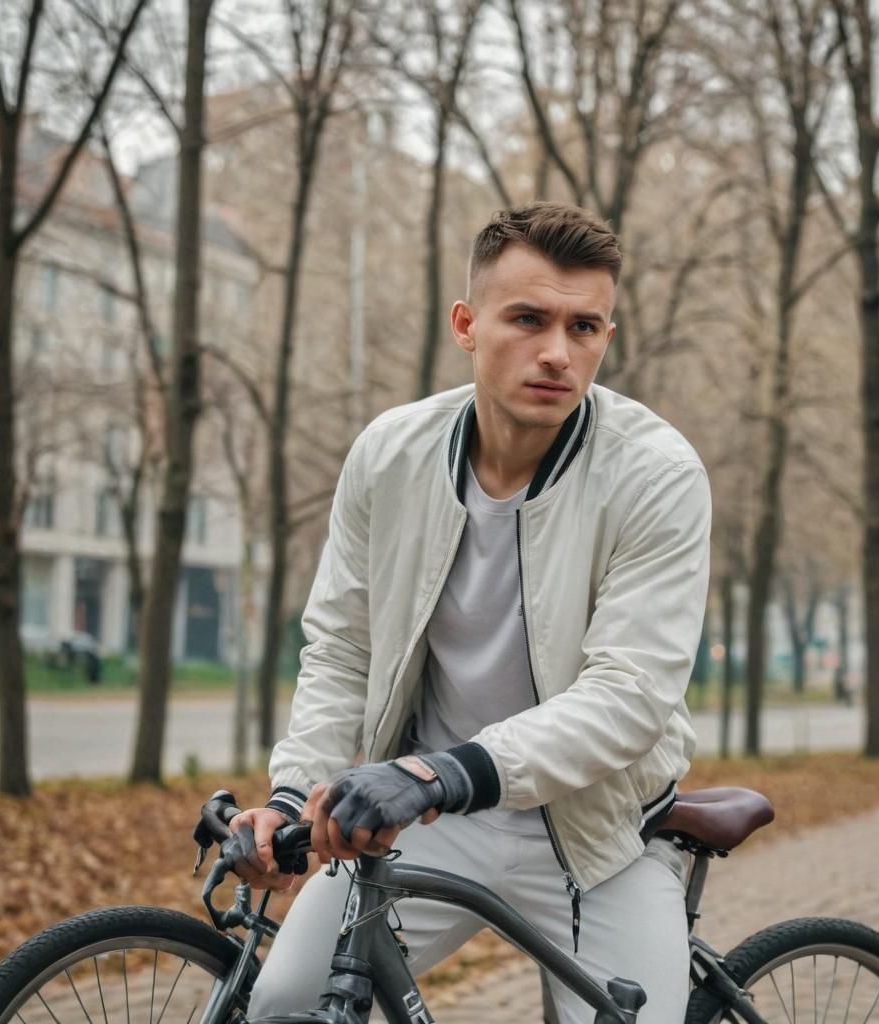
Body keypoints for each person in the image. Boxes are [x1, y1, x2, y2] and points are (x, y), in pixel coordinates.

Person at [230, 201, 712, 1022]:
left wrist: (439, 774)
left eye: (583, 328)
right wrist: (290, 795)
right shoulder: (389, 455)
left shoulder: (657, 474)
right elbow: (343, 648)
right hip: (429, 814)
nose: (557, 352)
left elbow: (630, 695)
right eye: (527, 319)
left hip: (600, 832)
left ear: (607, 337)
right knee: (284, 1005)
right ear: (467, 324)